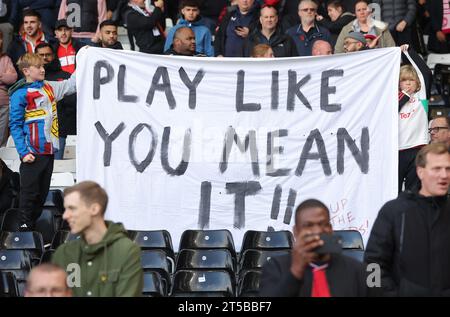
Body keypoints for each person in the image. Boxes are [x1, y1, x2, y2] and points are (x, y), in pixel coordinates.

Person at [365, 143, 450, 296]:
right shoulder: (393, 212)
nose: (444, 175)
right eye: (437, 169)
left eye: (448, 169)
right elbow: (373, 265)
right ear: (420, 172)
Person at [8, 53, 76, 231]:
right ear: (26, 71)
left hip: (49, 151)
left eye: (43, 66)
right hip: (32, 153)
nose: (43, 69)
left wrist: (85, 58)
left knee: (41, 195)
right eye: (38, 67)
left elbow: (71, 85)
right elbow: (14, 125)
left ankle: (31, 231)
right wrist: (23, 153)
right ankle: (23, 232)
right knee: (29, 195)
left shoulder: (49, 88)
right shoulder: (19, 94)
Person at [259, 199, 368, 297]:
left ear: (330, 229)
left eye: (322, 224)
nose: (317, 231)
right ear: (296, 232)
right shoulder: (275, 267)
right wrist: (296, 271)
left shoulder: (356, 270)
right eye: (308, 225)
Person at [52, 181, 143, 297]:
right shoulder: (63, 253)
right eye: (65, 209)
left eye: (72, 208)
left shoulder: (126, 251)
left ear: (94, 209)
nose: (65, 216)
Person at [397, 44, 431, 193]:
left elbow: (425, 73)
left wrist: (409, 52)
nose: (409, 83)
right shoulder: (393, 99)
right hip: (397, 151)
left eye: (412, 80)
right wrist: (404, 96)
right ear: (398, 83)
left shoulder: (421, 96)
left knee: (413, 192)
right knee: (394, 192)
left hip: (418, 148)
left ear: (417, 83)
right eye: (404, 80)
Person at [35, 43, 77, 160]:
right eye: (41, 55)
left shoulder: (65, 76)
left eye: (47, 55)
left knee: (58, 171)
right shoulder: (30, 82)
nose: (44, 58)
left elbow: (73, 103)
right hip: (38, 135)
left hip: (62, 132)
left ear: (54, 56)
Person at [7, 9, 53, 74]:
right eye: (26, 22)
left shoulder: (52, 42)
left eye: (32, 22)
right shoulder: (15, 45)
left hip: (49, 79)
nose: (28, 26)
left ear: (39, 24)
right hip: (25, 81)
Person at [0, 29, 17, 147]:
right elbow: (7, 77)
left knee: (2, 137)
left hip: (4, 103)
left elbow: (12, 78)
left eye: (0, 38)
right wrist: (3, 75)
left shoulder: (6, 59)